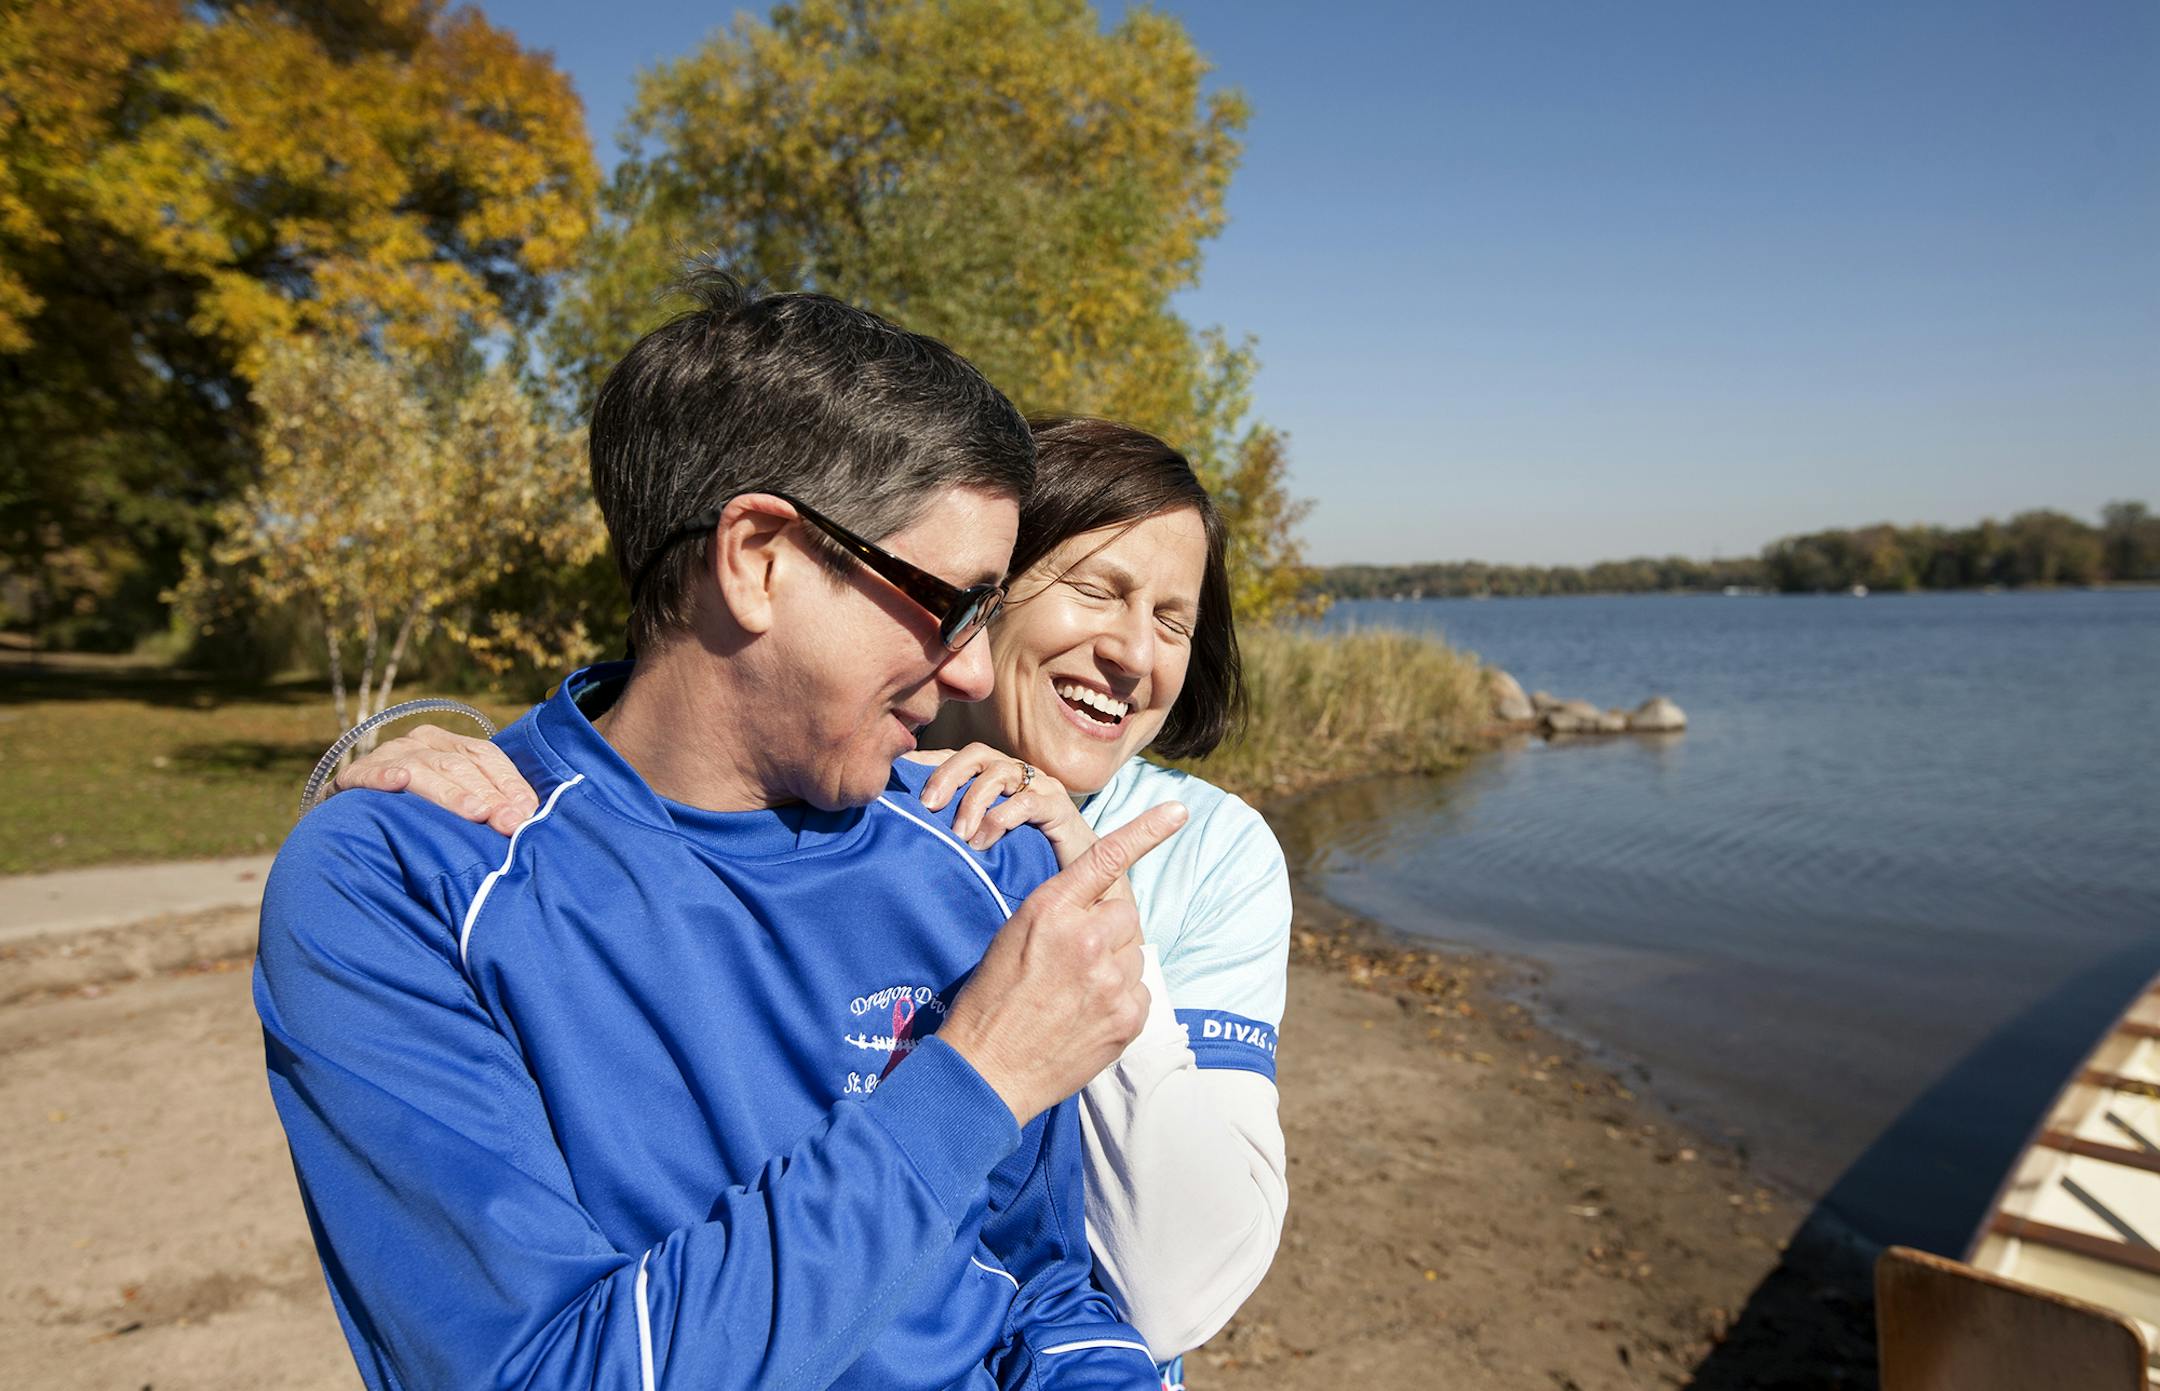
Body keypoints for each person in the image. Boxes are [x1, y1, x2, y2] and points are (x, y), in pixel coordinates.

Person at [259, 272, 1185, 1391]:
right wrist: (972, 1080)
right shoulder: (404, 880)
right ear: (758, 557)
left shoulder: (984, 848)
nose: (978, 671)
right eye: (954, 603)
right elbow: (535, 1371)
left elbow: (1043, 1287)